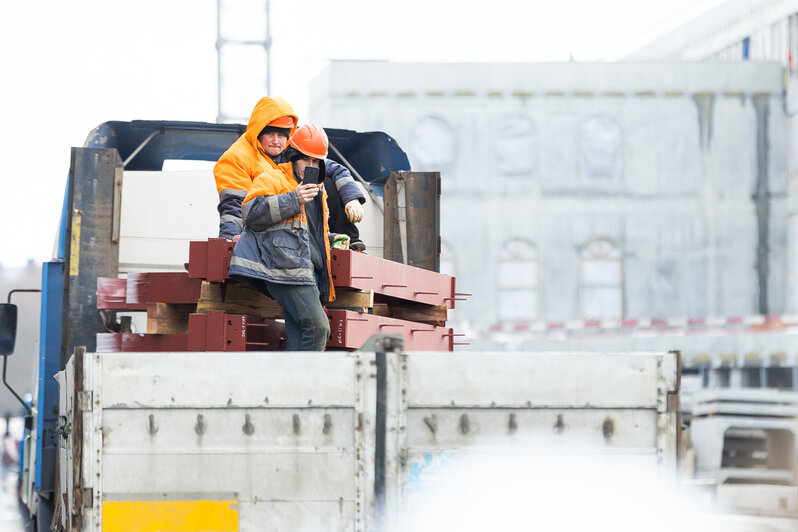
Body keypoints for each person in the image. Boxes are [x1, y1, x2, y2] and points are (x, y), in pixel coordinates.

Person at [227, 123, 341, 351]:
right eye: (306, 160)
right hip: (282, 270)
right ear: (293, 156)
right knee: (319, 328)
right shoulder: (272, 178)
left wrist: (335, 237)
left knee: (299, 336)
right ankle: (301, 385)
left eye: (316, 162)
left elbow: (306, 230)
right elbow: (251, 213)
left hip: (306, 272)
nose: (311, 166)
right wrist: (293, 199)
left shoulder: (319, 191)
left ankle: (287, 384)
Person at [213, 96, 298, 240]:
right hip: (258, 240)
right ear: (259, 133)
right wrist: (230, 239)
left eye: (281, 135)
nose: (276, 141)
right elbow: (234, 206)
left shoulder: (292, 154)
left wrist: (350, 197)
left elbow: (330, 167)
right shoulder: (236, 157)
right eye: (270, 134)